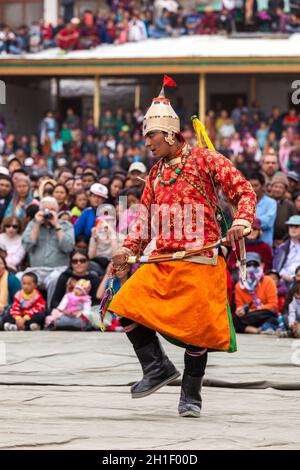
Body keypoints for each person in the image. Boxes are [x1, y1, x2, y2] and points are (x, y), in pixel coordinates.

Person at [109, 77, 256, 418]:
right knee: (124, 306)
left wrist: (240, 222)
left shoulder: (206, 160)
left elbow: (244, 191)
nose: (147, 143)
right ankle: (157, 367)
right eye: (145, 136)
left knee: (196, 333)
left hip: (202, 258)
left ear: (171, 133)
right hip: (163, 260)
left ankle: (191, 395)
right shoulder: (157, 174)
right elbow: (144, 223)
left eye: (151, 135)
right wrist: (126, 251)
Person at [22, 196, 75, 308]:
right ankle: (24, 312)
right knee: (19, 277)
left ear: (57, 211)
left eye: (52, 210)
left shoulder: (66, 225)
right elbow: (27, 247)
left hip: (58, 269)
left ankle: (50, 311)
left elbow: (68, 247)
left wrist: (56, 225)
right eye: (45, 209)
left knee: (54, 279)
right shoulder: (33, 224)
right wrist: (36, 224)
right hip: (36, 269)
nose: (48, 212)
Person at [234, 252, 279, 335]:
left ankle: (261, 329)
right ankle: (258, 330)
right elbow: (239, 306)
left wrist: (255, 310)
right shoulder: (238, 285)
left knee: (271, 316)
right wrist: (240, 311)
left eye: (255, 265)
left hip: (264, 313)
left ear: (262, 265)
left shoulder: (268, 281)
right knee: (236, 318)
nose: (252, 268)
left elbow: (273, 305)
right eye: (248, 265)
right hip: (249, 316)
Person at [249, 172, 276, 248]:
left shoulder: (271, 203)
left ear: (263, 186)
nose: (253, 189)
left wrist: (249, 222)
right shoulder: (245, 203)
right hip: (247, 246)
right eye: (250, 186)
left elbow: (268, 222)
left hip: (264, 246)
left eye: (256, 186)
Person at [273, 215, 300, 286]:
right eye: (291, 226)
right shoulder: (281, 247)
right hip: (283, 280)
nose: (293, 228)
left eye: (296, 226)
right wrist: (283, 275)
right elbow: (276, 266)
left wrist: (296, 277)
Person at [271, 172, 296, 246]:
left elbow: (294, 224)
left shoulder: (290, 205)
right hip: (267, 240)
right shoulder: (266, 202)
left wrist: (284, 240)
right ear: (271, 187)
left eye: (281, 187)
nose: (277, 189)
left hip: (284, 242)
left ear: (285, 190)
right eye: (275, 186)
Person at [0, 254, 21, 321]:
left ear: (5, 266)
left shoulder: (12, 280)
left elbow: (20, 302)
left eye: (0, 264)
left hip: (7, 313)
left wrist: (4, 308)